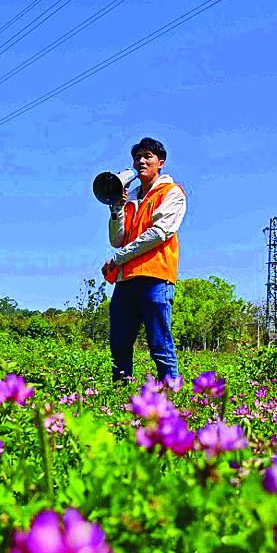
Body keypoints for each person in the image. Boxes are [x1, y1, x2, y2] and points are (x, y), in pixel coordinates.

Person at [101, 137, 186, 383]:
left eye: (147, 156)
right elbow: (117, 239)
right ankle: (119, 400)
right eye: (137, 157)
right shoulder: (131, 199)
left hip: (155, 278)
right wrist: (116, 208)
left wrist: (118, 258)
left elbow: (160, 233)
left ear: (160, 163)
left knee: (160, 343)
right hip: (126, 279)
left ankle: (170, 399)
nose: (141, 161)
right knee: (120, 346)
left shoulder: (172, 192)